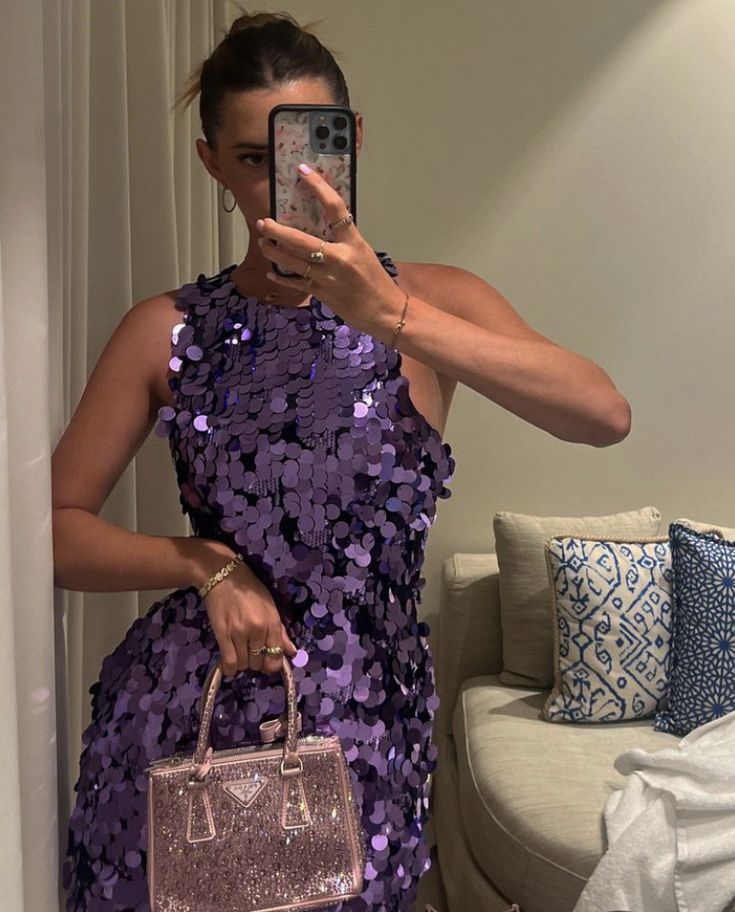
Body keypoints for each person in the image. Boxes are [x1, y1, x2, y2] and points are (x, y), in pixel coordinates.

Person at [55, 9, 631, 912]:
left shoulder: (435, 303)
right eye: (254, 158)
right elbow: (51, 533)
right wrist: (208, 564)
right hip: (190, 717)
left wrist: (388, 314)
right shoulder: (164, 330)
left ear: (352, 138)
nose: (287, 182)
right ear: (212, 164)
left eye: (309, 149)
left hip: (372, 723)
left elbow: (600, 414)